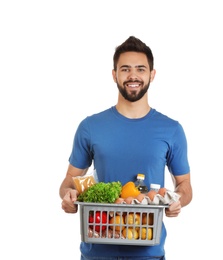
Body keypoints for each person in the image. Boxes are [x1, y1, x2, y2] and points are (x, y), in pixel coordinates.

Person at [59, 36, 192, 260]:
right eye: (125, 69)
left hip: (148, 252)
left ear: (152, 74)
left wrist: (176, 199)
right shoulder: (90, 127)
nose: (133, 75)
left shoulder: (171, 130)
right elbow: (69, 180)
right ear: (115, 75)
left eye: (141, 69)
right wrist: (68, 195)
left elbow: (185, 184)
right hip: (97, 251)